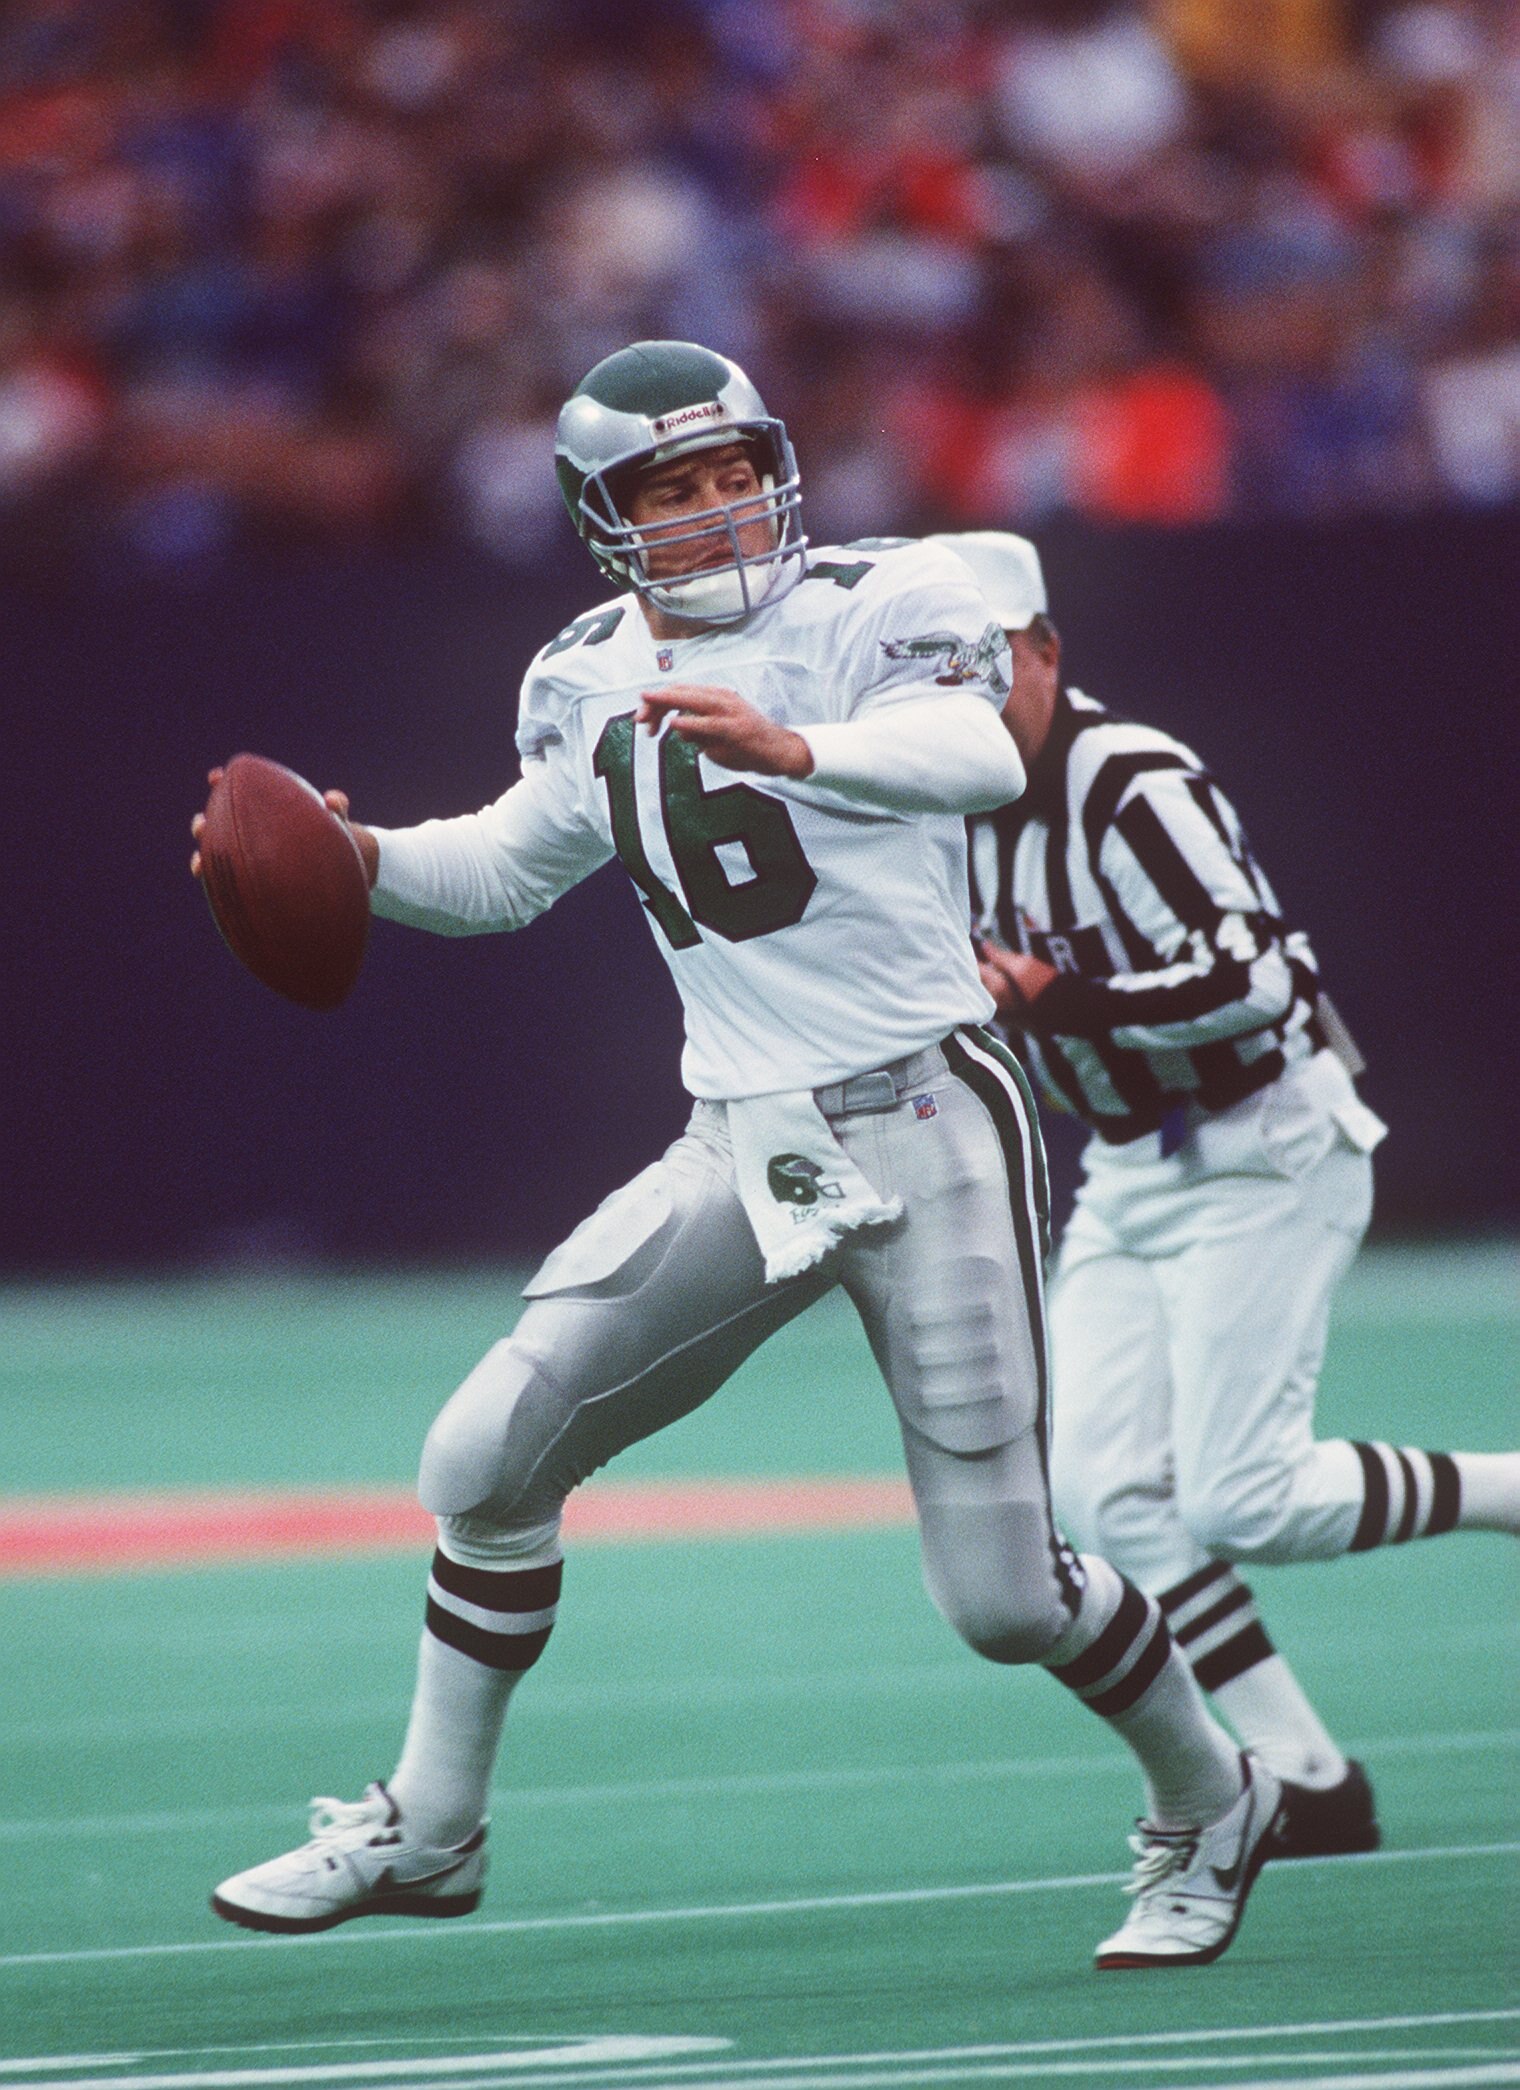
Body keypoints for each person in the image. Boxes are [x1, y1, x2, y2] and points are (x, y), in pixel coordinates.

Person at [194, 342, 1286, 1972]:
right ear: (601, 516)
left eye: (731, 470)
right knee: (486, 1459)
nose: (716, 507)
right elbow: (503, 867)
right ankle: (430, 1827)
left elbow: (979, 752)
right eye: (669, 487)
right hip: (749, 1138)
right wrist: (355, 856)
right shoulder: (581, 671)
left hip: (928, 1118)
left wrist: (798, 747)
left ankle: (1215, 1795)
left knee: (1002, 1599)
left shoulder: (881, 597)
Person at [936, 528, 1519, 1856]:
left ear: (1045, 650)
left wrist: (1066, 998)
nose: (960, 699)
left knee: (1245, 1495)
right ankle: (1305, 1774)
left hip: (1265, 1134)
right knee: (1105, 1491)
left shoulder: (1130, 777)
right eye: (932, 674)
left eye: (982, 665)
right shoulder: (939, 807)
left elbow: (1261, 975)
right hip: (1130, 1163)